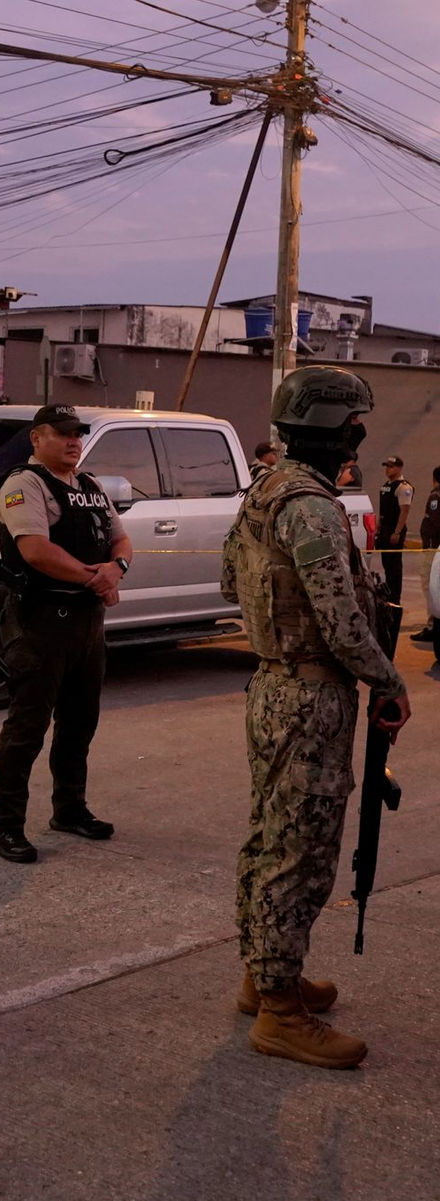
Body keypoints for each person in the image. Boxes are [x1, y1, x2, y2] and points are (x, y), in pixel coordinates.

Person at [221, 366, 410, 1070]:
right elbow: (340, 621)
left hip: (273, 686)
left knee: (270, 835)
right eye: (354, 424)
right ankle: (278, 1011)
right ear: (334, 428)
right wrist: (390, 681)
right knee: (299, 848)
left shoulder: (266, 492)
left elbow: (227, 581)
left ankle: (265, 972)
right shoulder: (311, 506)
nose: (360, 435)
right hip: (310, 695)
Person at [0, 404, 133, 864]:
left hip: (87, 625)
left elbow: (120, 540)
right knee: (26, 728)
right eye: (63, 433)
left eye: (78, 434)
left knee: (79, 723)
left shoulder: (89, 486)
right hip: (40, 621)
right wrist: (96, 579)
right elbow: (34, 551)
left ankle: (69, 809)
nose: (74, 441)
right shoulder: (23, 485)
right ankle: (6, 825)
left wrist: (117, 567)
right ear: (37, 438)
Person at [375, 455, 412, 604]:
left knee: (394, 567)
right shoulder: (386, 485)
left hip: (394, 531)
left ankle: (395, 598)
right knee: (387, 564)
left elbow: (405, 511)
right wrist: (377, 529)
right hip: (384, 530)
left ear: (399, 468)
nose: (387, 469)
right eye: (386, 466)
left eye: (391, 467)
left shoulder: (404, 487)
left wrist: (397, 532)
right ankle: (389, 594)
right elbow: (382, 510)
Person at [410, 465, 440, 642]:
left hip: (433, 550)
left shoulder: (436, 496)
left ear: (434, 478)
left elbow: (436, 523)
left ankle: (432, 627)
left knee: (430, 587)